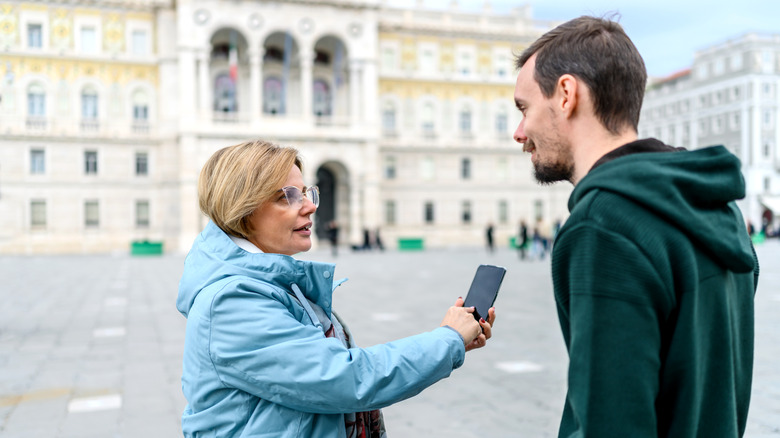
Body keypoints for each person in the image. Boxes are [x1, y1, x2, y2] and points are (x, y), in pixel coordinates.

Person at [512, 16, 758, 437]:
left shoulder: (603, 226)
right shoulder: (717, 207)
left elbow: (613, 423)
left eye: (524, 108)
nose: (519, 133)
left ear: (567, 94)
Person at [176, 140, 495, 438]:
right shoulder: (231, 301)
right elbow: (345, 379)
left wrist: (454, 337)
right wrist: (447, 340)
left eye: (306, 193)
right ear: (242, 208)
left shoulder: (275, 282)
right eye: (288, 196)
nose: (310, 206)